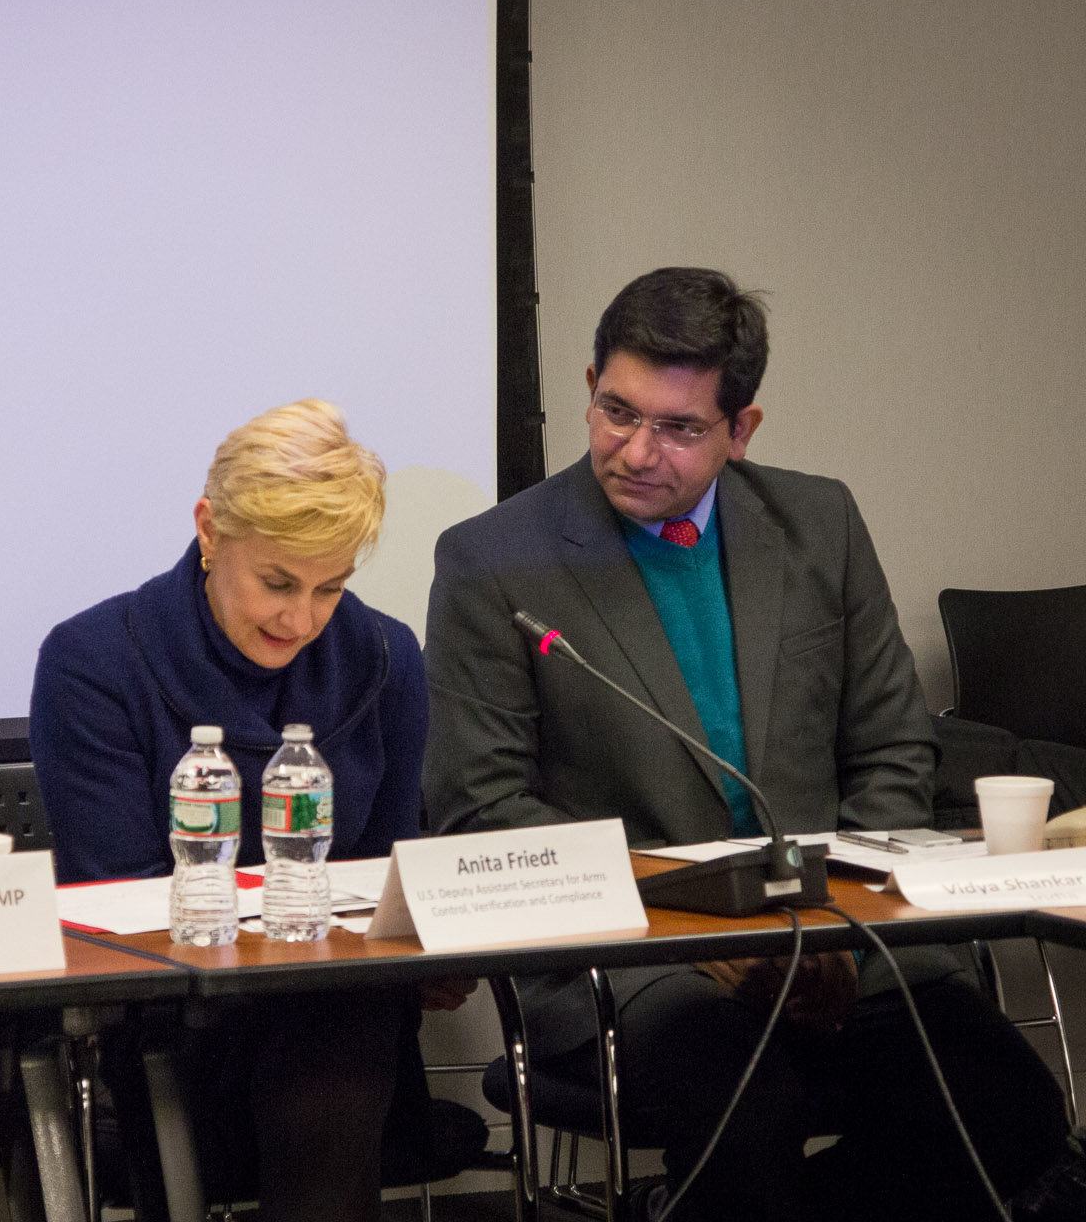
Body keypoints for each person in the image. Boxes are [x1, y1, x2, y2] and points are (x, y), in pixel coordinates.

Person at [423, 267, 1083, 1221]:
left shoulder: (818, 523)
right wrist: (707, 934)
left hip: (839, 942)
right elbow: (485, 808)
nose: (636, 450)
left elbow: (893, 748)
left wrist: (835, 935)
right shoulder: (493, 561)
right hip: (638, 968)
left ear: (743, 430)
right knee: (747, 1108)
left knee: (1013, 1109)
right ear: (590, 385)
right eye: (616, 410)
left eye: (681, 428)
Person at [29, 399, 482, 1222]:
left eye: (330, 588)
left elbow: (387, 877)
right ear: (209, 530)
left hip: (343, 1032)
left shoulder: (384, 658)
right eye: (277, 582)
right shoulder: (91, 662)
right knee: (334, 1019)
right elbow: (119, 904)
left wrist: (433, 944)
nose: (299, 619)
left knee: (339, 1014)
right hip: (168, 1039)